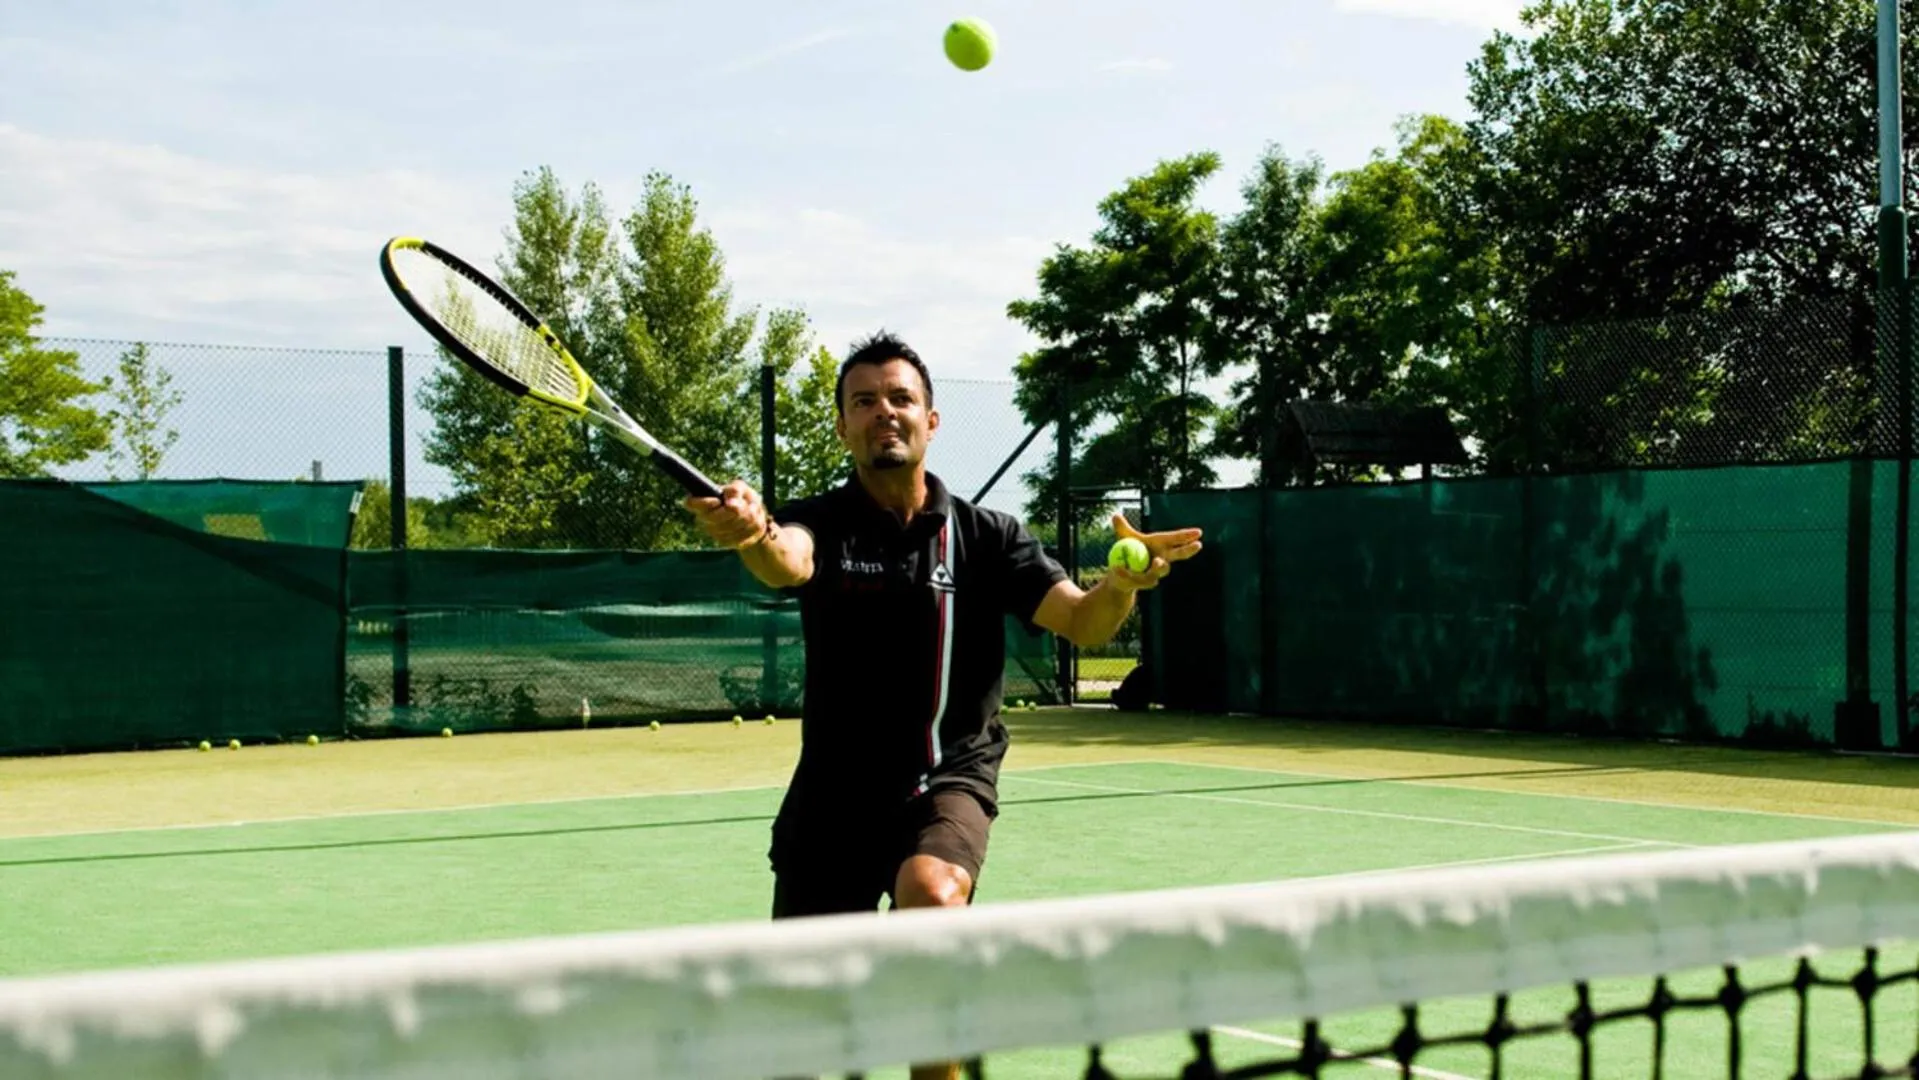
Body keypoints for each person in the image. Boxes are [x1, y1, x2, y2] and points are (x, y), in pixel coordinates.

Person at [683, 331, 1201, 1078]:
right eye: (862, 401)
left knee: (930, 895)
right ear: (841, 426)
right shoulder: (820, 522)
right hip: (831, 801)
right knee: (799, 1028)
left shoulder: (987, 538)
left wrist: (1120, 584)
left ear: (931, 421)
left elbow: (1082, 622)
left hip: (945, 776)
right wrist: (752, 530)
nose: (882, 412)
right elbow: (784, 559)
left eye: (900, 398)